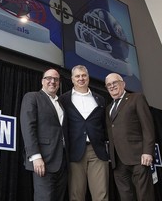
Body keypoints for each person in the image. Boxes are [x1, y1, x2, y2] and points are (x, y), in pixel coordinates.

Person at [59, 65, 109, 201]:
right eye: (77, 76)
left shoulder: (100, 99)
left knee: (101, 195)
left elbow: (105, 126)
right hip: (75, 152)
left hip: (97, 151)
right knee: (76, 195)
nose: (81, 78)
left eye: (84, 75)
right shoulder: (63, 99)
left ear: (88, 77)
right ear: (72, 79)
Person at [105, 73, 155, 201]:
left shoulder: (136, 98)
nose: (112, 86)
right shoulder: (109, 108)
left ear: (123, 84)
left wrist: (147, 152)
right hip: (118, 161)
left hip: (138, 156)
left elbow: (147, 127)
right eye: (108, 85)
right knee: (125, 196)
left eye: (114, 83)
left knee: (144, 195)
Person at [20, 68, 68, 201]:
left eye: (56, 79)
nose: (52, 81)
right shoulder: (32, 97)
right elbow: (28, 127)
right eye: (48, 78)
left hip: (62, 162)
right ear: (42, 81)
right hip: (43, 160)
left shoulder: (61, 104)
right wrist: (35, 156)